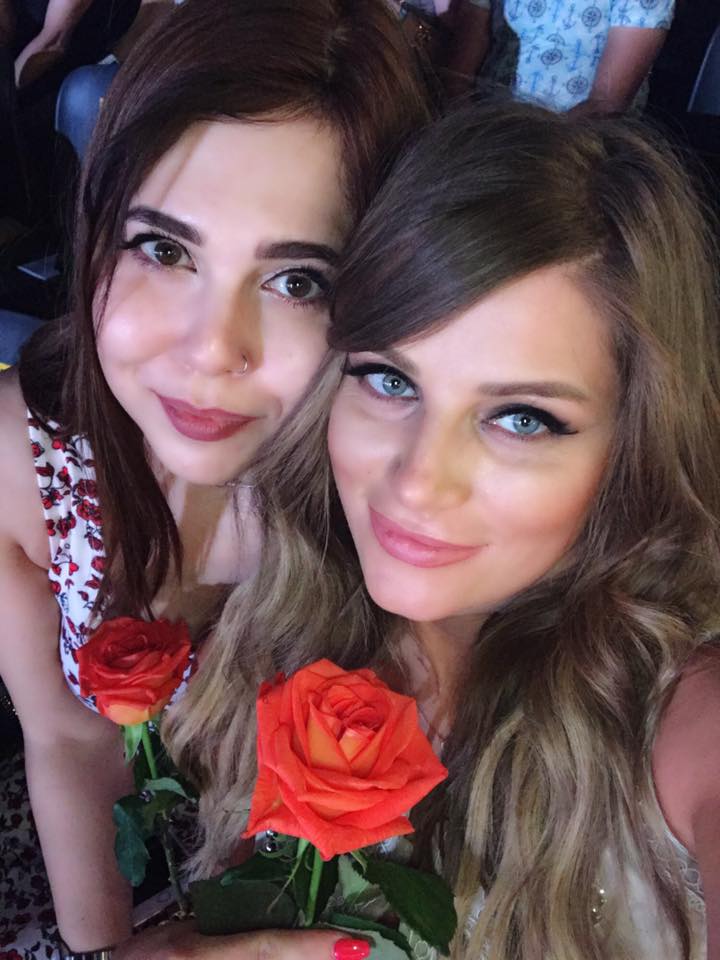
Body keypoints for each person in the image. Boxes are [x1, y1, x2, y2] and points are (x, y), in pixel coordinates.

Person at [162, 99, 719, 959]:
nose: (418, 481)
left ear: (631, 451)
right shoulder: (278, 614)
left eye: (522, 418)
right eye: (390, 381)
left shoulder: (688, 718)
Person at [0, 0, 430, 954]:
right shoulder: (24, 460)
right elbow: (69, 739)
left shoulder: (415, 507)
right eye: (164, 249)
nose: (209, 351)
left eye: (297, 280)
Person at [446, 0, 674, 112]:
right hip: (485, 118)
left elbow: (605, 105)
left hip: (574, 149)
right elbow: (474, 18)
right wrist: (458, 102)